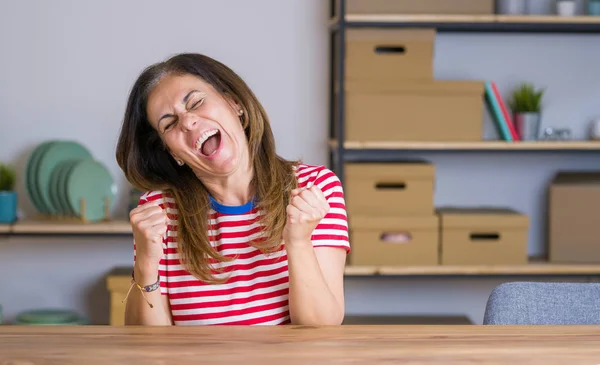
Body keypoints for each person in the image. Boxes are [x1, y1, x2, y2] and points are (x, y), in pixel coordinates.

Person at [115, 53, 350, 326]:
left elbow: (321, 329)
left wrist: (298, 242)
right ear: (172, 153)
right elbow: (147, 345)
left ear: (234, 103)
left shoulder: (316, 188)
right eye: (169, 124)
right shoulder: (158, 210)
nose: (188, 122)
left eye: (196, 102)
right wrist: (146, 262)